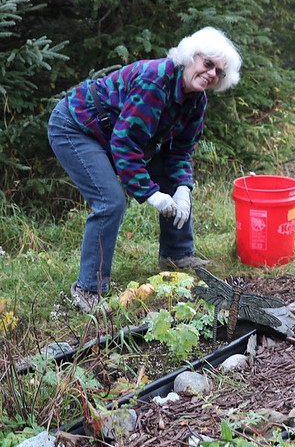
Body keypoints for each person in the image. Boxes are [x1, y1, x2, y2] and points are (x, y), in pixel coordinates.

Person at [48, 27, 241, 313]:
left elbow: (180, 151)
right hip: (77, 128)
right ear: (190, 57)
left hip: (113, 133)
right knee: (109, 201)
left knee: (169, 175)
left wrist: (182, 189)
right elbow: (125, 143)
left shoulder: (196, 101)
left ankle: (176, 255)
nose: (212, 74)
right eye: (208, 64)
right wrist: (151, 194)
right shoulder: (156, 80)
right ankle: (88, 289)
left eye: (219, 73)